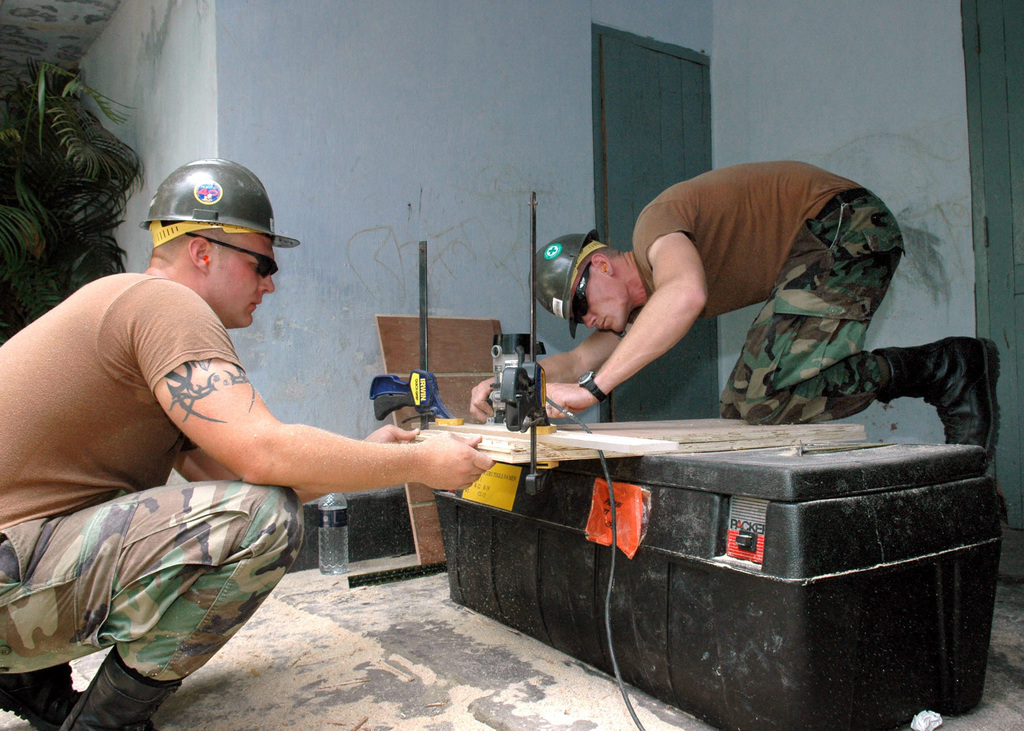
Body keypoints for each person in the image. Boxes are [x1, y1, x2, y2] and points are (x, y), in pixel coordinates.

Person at [0, 159, 494, 731]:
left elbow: (247, 477)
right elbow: (263, 468)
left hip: (21, 555)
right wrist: (418, 462)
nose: (270, 283)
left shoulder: (126, 309)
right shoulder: (165, 304)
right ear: (203, 252)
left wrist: (375, 452)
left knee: (259, 508)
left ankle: (29, 677)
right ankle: (105, 722)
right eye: (261, 264)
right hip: (14, 564)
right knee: (267, 521)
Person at [469, 161, 998, 455]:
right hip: (816, 247)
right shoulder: (646, 303)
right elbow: (580, 359)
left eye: (581, 302)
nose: (586, 320)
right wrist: (517, 380)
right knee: (748, 409)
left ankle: (946, 367)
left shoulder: (654, 230)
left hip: (843, 225)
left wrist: (592, 393)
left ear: (603, 266)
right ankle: (942, 368)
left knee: (767, 394)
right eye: (575, 317)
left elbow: (687, 295)